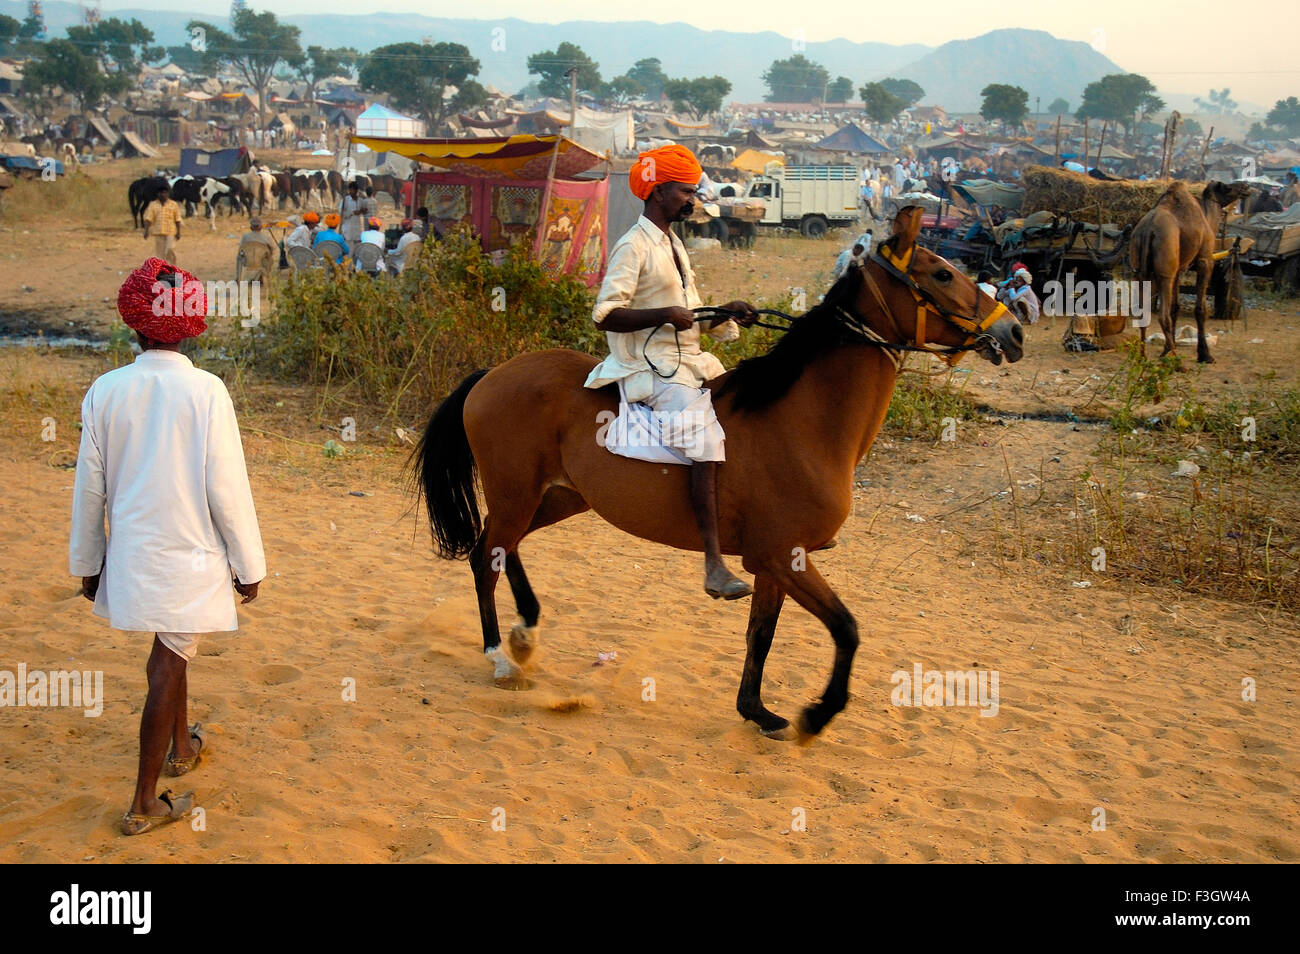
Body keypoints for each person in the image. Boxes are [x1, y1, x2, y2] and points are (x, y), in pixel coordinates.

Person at [69, 258, 266, 836]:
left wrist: (88, 564)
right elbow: (226, 487)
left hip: (132, 555)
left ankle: (183, 746)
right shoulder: (207, 391)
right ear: (191, 326)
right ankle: (143, 804)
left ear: (134, 325)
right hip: (191, 554)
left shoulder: (105, 390)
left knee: (173, 647)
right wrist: (248, 564)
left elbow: (90, 488)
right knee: (167, 662)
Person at [585, 143, 758, 601]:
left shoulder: (674, 243)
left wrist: (725, 314)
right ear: (659, 192)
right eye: (685, 191)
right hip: (651, 369)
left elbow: (690, 311)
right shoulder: (633, 245)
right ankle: (714, 563)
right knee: (703, 440)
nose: (692, 200)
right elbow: (605, 314)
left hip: (689, 362)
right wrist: (663, 314)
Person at [142, 183, 182, 265]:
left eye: (165, 192)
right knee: (160, 255)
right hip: (158, 232)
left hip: (170, 232)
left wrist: (178, 232)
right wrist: (146, 231)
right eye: (161, 193)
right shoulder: (153, 205)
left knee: (170, 249)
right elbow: (148, 219)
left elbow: (178, 219)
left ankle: (173, 268)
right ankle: (163, 271)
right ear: (158, 194)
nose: (163, 194)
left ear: (168, 194)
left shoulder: (173, 205)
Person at [340, 181, 362, 246]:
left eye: (353, 190)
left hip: (357, 228)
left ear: (356, 191)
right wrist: (352, 213)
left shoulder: (360, 200)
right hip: (347, 229)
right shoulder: (345, 200)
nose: (352, 191)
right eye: (351, 190)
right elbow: (342, 214)